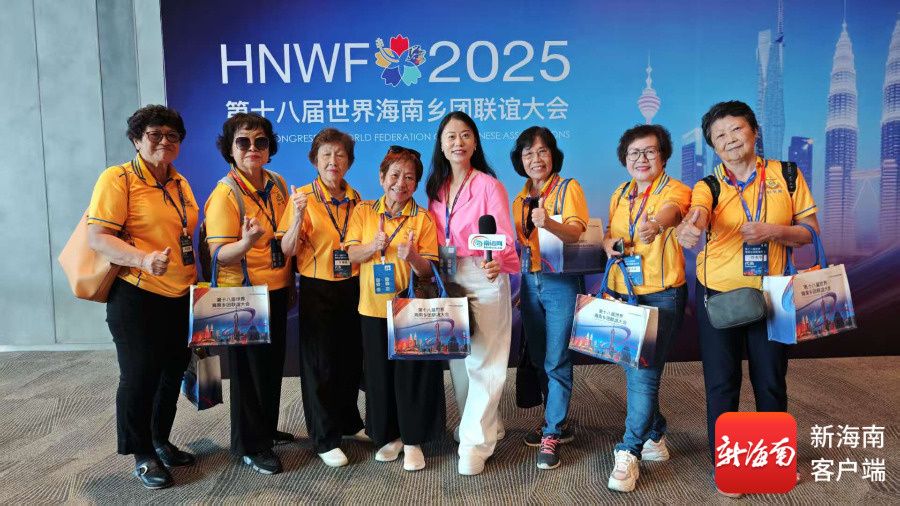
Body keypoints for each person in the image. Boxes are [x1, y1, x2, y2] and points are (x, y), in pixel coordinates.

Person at [675, 100, 817, 497]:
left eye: (736, 129)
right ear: (713, 146)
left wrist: (774, 231)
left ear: (754, 131)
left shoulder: (786, 175)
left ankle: (773, 460)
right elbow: (699, 212)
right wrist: (691, 225)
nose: (730, 139)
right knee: (722, 382)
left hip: (774, 293)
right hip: (721, 294)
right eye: (719, 135)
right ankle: (728, 464)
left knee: (770, 380)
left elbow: (810, 231)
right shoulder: (709, 185)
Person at [86, 105, 198, 489]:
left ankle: (160, 440)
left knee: (171, 374)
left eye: (172, 135)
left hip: (179, 295)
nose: (165, 141)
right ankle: (142, 454)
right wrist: (143, 259)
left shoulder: (179, 183)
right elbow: (98, 237)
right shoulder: (118, 179)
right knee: (139, 376)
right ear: (137, 139)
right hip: (137, 295)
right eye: (155, 134)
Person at [425, 112, 519, 476]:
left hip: (484, 272)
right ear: (441, 144)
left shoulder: (489, 186)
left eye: (465, 135)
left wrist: (499, 262)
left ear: (475, 142)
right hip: (450, 275)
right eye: (450, 136)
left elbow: (504, 236)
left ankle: (474, 445)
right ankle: (486, 425)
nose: (458, 142)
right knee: (462, 360)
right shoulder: (437, 188)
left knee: (485, 360)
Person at [602, 124, 691, 492]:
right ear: (625, 159)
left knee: (643, 373)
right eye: (633, 153)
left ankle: (629, 450)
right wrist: (608, 243)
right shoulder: (620, 193)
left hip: (660, 295)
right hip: (623, 292)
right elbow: (610, 233)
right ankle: (655, 435)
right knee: (634, 369)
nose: (641, 158)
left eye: (649, 151)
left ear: (663, 156)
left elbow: (672, 212)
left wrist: (654, 224)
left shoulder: (675, 189)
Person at [345, 146, 445, 472]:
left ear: (416, 183)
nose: (401, 183)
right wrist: (372, 247)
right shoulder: (363, 211)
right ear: (381, 177)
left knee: (410, 377)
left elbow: (429, 270)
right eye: (395, 175)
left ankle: (413, 440)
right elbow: (349, 255)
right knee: (378, 376)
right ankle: (389, 435)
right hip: (372, 308)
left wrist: (413, 256)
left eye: (409, 177)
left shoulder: (423, 218)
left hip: (409, 309)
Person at [204, 113, 292, 475]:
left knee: (270, 367)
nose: (252, 148)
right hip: (243, 296)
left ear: (270, 148)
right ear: (230, 149)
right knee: (248, 373)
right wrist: (247, 242)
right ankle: (250, 445)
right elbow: (219, 254)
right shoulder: (225, 194)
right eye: (243, 142)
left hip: (277, 289)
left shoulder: (277, 183)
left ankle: (265, 429)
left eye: (261, 142)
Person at [278, 128, 369, 467]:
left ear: (349, 161)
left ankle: (348, 422)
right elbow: (287, 249)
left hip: (352, 285)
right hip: (318, 288)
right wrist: (297, 216)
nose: (333, 161)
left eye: (340, 155)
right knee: (320, 365)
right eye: (326, 155)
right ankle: (324, 437)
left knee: (349, 359)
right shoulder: (301, 197)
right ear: (315, 160)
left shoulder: (356, 199)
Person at [510, 126, 588, 469]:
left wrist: (549, 223)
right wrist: (520, 288)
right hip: (530, 282)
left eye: (542, 151)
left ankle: (552, 432)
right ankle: (556, 420)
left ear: (553, 154)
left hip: (560, 283)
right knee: (541, 357)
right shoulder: (519, 199)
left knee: (557, 359)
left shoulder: (569, 188)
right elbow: (522, 246)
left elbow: (576, 232)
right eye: (528, 153)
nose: (536, 159)